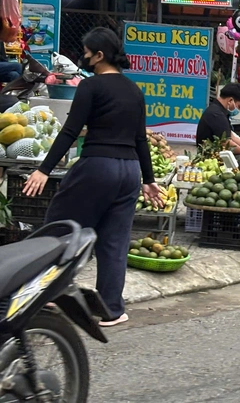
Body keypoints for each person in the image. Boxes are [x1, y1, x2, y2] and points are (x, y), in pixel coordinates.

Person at [22, 27, 163, 327]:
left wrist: (43, 169)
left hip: (98, 166)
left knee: (59, 228)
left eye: (86, 52)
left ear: (99, 56)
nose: (83, 57)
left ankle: (44, 293)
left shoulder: (91, 87)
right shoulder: (134, 90)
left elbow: (70, 131)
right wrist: (148, 180)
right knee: (113, 242)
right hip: (129, 174)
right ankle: (112, 309)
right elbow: (140, 139)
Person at [197, 83, 240, 174]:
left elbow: (231, 137)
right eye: (239, 106)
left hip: (221, 154)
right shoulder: (216, 114)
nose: (239, 110)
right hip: (212, 158)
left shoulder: (219, 111)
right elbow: (227, 143)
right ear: (230, 100)